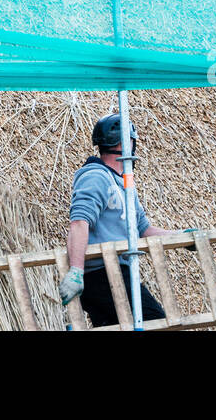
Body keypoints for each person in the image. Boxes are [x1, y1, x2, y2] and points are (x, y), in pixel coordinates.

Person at [58, 112, 172, 327]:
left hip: (117, 272)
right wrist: (75, 271)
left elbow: (143, 229)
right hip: (103, 274)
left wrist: (181, 237)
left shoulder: (123, 184)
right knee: (155, 322)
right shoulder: (96, 176)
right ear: (125, 142)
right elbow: (79, 222)